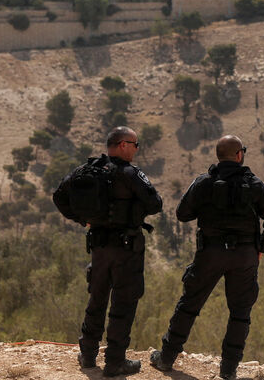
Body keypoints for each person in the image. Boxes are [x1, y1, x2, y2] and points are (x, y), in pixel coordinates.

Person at [151, 135, 264, 380]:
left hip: (210, 253)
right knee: (240, 312)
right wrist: (261, 248)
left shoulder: (204, 182)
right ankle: (228, 370)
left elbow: (182, 214)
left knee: (189, 304)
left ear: (218, 156)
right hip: (244, 255)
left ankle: (166, 358)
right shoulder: (253, 183)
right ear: (239, 155)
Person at [53, 126, 162, 376]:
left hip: (99, 247)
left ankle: (88, 355)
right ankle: (115, 362)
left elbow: (59, 197)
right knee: (123, 304)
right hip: (127, 249)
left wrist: (83, 219)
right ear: (123, 145)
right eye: (135, 145)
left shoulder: (86, 170)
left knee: (97, 299)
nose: (136, 149)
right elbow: (155, 204)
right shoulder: (129, 173)